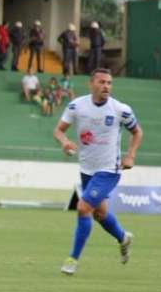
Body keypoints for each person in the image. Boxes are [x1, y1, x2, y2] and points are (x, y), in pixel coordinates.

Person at [53, 68, 140, 276]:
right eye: (101, 82)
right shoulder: (77, 106)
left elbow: (137, 132)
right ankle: (123, 238)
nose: (106, 86)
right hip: (87, 169)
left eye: (109, 83)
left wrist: (131, 156)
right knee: (100, 214)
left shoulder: (120, 109)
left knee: (83, 208)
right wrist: (65, 142)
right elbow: (58, 130)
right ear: (91, 84)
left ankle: (72, 259)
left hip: (109, 169)